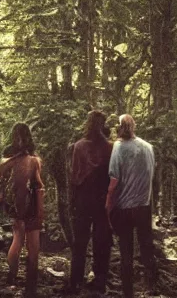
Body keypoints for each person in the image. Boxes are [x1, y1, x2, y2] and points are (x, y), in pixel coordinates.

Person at [106, 114, 156, 298]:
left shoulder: (119, 147)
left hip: (125, 207)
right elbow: (150, 175)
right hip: (144, 205)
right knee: (146, 247)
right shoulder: (148, 147)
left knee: (126, 251)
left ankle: (128, 292)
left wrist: (108, 203)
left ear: (119, 128)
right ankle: (152, 286)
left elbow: (114, 179)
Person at [0, 122, 46, 296]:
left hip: (14, 206)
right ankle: (30, 287)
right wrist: (40, 211)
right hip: (31, 205)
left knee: (17, 240)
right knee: (33, 245)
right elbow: (39, 187)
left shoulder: (7, 158)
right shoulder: (33, 160)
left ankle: (12, 278)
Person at [69, 110, 113, 293]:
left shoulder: (78, 146)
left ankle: (75, 280)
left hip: (83, 199)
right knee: (101, 240)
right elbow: (114, 176)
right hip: (102, 199)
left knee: (80, 241)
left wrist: (72, 200)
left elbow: (74, 176)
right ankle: (100, 279)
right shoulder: (110, 147)